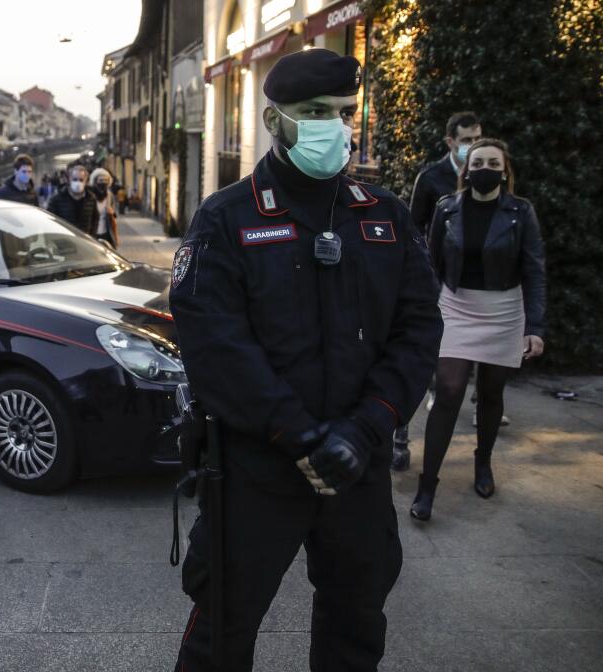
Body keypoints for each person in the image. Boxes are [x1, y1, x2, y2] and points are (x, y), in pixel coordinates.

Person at [170, 48, 442, 672]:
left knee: (357, 619)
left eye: (345, 112)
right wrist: (297, 434)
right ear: (274, 121)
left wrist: (368, 426)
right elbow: (214, 344)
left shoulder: (385, 217)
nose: (335, 126)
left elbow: (419, 330)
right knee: (223, 626)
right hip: (257, 467)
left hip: (355, 463)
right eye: (315, 112)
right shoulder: (227, 218)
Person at [410, 138, 545, 521]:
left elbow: (535, 270)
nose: (484, 168)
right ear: (466, 169)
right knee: (449, 389)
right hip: (456, 305)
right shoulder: (447, 208)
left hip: (504, 309)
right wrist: (424, 313)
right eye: (477, 161)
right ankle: (427, 485)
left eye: (492, 162)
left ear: (504, 171)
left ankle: (483, 462)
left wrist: (534, 326)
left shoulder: (522, 212)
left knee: (490, 392)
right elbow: (431, 265)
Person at [393, 111, 485, 470]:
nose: (473, 146)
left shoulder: (488, 176)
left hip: (473, 288)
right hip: (436, 284)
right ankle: (401, 436)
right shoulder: (432, 179)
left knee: (447, 369)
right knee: (416, 359)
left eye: (478, 138)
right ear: (451, 142)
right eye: (467, 140)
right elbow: (414, 231)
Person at [46, 163, 98, 236]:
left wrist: (92, 236)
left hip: (85, 242)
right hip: (65, 241)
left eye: (81, 180)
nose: (78, 183)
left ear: (86, 181)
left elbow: (95, 219)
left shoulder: (91, 199)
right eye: (75, 179)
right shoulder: (57, 199)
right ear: (69, 180)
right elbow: (49, 220)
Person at [89, 168, 119, 247]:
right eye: (101, 180)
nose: (103, 182)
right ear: (95, 181)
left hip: (106, 231)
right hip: (92, 231)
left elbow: (114, 213)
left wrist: (112, 212)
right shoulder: (90, 195)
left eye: (106, 180)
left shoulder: (109, 195)